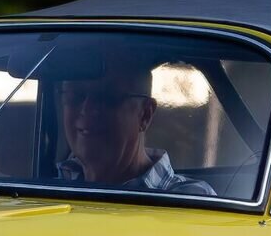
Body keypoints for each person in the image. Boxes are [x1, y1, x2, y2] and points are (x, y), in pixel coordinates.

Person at [56, 60, 216, 196]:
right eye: (74, 96)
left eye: (106, 98)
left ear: (145, 114)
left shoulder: (190, 200)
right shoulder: (44, 189)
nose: (87, 109)